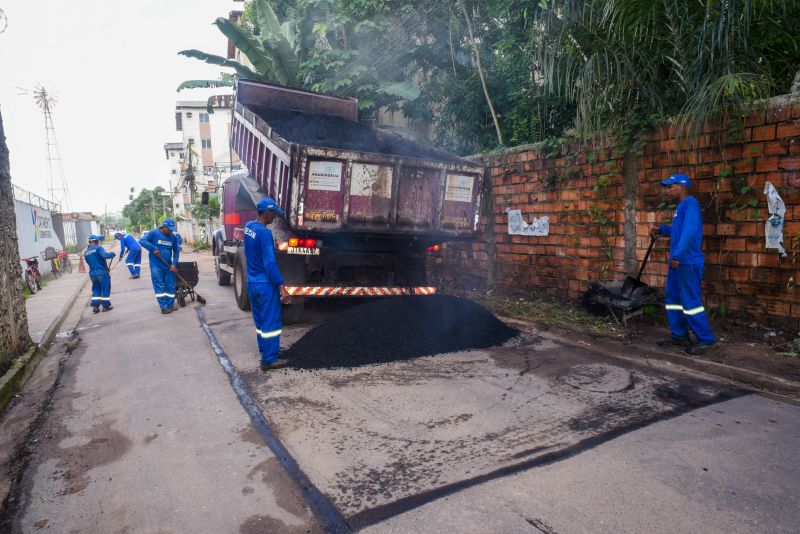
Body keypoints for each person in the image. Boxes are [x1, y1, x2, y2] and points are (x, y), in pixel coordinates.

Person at [651, 173, 716, 354]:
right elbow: (680, 230)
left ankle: (705, 338)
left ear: (682, 186)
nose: (668, 190)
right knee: (673, 299)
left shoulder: (691, 204)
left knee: (690, 301)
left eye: (671, 186)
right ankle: (679, 335)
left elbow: (688, 233)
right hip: (678, 262)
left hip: (686, 262)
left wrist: (677, 256)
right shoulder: (681, 207)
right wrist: (663, 230)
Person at [244, 198, 292, 371]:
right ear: (267, 212)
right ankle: (270, 360)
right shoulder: (265, 234)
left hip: (252, 282)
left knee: (260, 321)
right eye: (274, 213)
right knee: (271, 322)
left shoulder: (249, 227)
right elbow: (270, 263)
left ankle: (265, 350)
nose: (275, 217)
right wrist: (281, 286)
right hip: (265, 285)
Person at [139, 219, 180, 314]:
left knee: (171, 286)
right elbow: (142, 241)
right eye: (169, 229)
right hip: (156, 265)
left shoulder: (172, 237)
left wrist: (174, 264)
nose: (171, 231)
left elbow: (176, 251)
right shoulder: (153, 233)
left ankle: (170, 305)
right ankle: (164, 307)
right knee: (159, 285)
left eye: (172, 229)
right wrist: (153, 248)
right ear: (163, 227)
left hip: (168, 265)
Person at [84, 235, 115, 313]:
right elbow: (104, 255)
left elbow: (89, 263)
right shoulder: (98, 248)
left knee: (96, 289)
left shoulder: (86, 252)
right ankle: (105, 306)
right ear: (96, 241)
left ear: (90, 242)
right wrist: (112, 254)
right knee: (105, 288)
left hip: (92, 274)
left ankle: (95, 306)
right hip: (102, 273)